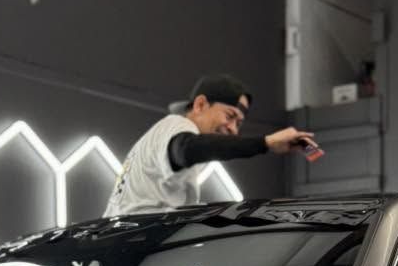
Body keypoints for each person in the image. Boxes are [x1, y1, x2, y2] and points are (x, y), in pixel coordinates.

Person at [104, 73, 315, 217]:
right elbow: (187, 149)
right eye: (229, 116)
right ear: (200, 104)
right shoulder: (177, 124)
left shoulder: (162, 134)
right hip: (129, 244)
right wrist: (266, 143)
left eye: (239, 123)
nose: (233, 128)